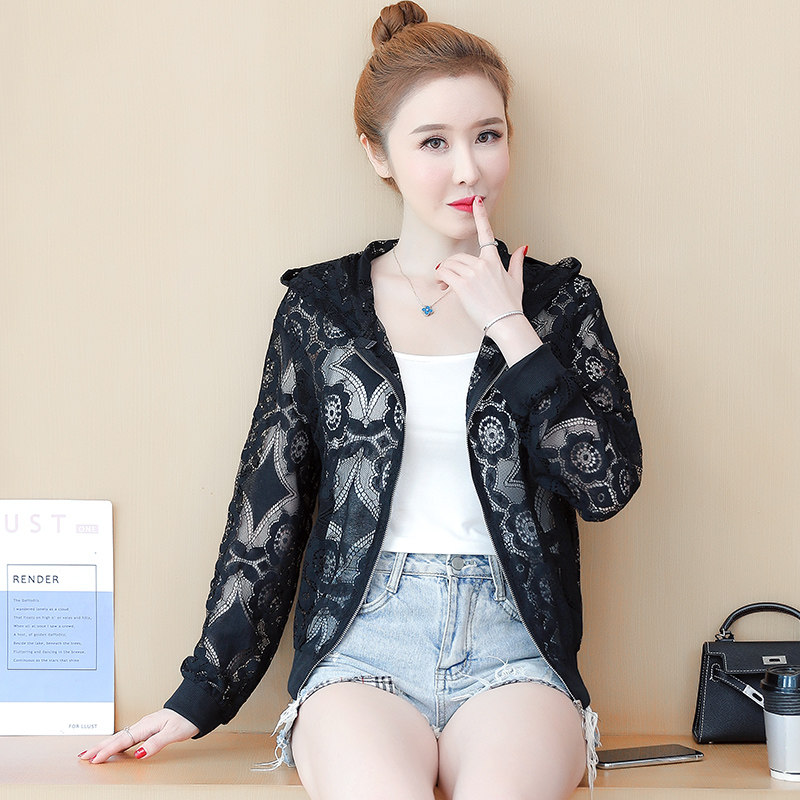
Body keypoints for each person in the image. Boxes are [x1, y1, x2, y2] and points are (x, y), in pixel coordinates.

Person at [79, 3, 642, 798]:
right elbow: (270, 508)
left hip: (517, 651)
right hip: (362, 646)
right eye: (433, 142)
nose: (468, 169)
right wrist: (199, 697)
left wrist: (509, 325)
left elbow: (605, 485)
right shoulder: (322, 311)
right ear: (378, 154)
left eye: (487, 135)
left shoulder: (559, 304)